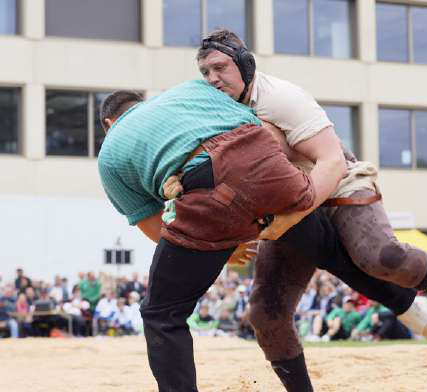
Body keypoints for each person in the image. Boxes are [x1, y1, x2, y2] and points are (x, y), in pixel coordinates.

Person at [164, 28, 427, 391]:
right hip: (286, 200)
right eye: (205, 72)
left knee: (380, 255)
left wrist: (298, 215)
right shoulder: (210, 110)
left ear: (245, 65)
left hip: (337, 181)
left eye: (220, 67)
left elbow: (331, 161)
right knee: (265, 314)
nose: (213, 78)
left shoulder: (282, 98)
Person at [98, 82, 344, 392]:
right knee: (335, 252)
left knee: (161, 313)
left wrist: (223, 248)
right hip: (268, 167)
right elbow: (259, 128)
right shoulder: (185, 96)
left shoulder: (112, 153)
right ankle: (404, 294)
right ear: (146, 103)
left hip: (208, 192)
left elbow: (158, 229)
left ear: (109, 124)